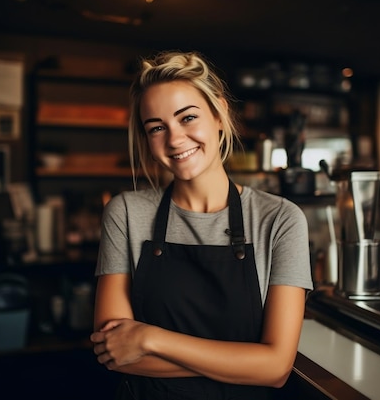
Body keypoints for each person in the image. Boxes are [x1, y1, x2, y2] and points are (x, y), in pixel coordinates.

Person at [90, 51, 313, 399]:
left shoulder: (280, 221)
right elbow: (114, 352)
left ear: (219, 114)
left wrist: (150, 339)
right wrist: (243, 363)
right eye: (157, 128)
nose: (175, 139)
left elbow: (276, 368)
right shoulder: (126, 213)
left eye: (188, 118)